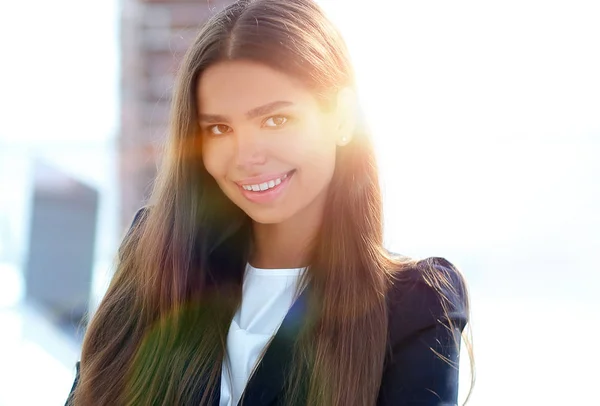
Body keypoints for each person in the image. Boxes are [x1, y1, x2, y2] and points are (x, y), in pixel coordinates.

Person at [66, 0, 473, 405]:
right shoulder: (154, 258)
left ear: (343, 118)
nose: (246, 156)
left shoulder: (414, 306)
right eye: (220, 128)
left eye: (275, 120)